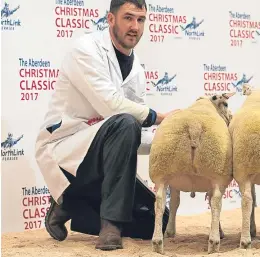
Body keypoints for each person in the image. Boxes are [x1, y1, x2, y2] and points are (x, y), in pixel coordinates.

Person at [35, 0, 178, 251]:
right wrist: (161, 117)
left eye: (141, 20)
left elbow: (137, 134)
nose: (135, 26)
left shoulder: (137, 69)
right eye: (128, 18)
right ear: (110, 19)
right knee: (123, 121)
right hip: (65, 152)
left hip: (105, 162)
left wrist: (169, 139)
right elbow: (113, 108)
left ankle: (69, 203)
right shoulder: (85, 50)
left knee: (158, 222)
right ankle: (110, 225)